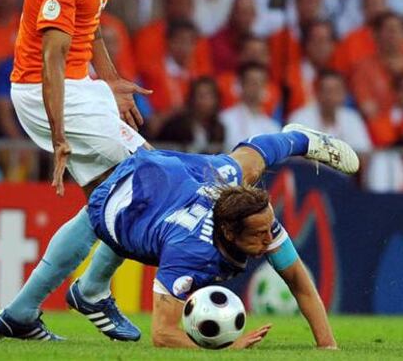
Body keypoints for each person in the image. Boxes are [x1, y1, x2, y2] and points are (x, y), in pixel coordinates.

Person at [0, 0, 152, 342]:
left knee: (116, 196)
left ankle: (20, 314)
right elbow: (52, 57)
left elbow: (92, 22)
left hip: (81, 83)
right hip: (46, 88)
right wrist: (59, 136)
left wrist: (114, 80)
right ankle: (93, 289)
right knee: (142, 180)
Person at [78, 124, 358, 348]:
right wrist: (232, 348)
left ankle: (300, 139)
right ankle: (75, 296)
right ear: (228, 231)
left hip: (185, 175)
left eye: (268, 230)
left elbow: (300, 283)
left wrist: (327, 346)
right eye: (259, 234)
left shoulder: (260, 219)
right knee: (103, 210)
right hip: (117, 206)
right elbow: (162, 335)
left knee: (244, 164)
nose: (268, 240)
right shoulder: (188, 253)